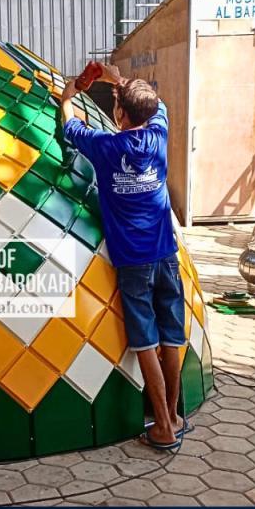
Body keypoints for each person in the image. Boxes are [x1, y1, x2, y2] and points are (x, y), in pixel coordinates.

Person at [60, 63, 187, 450]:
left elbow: (70, 124)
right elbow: (158, 105)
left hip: (133, 262)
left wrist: (69, 95)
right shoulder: (159, 132)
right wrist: (120, 81)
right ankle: (173, 414)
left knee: (145, 339)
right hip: (166, 255)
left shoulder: (106, 147)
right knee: (172, 334)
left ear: (119, 113)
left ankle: (162, 426)